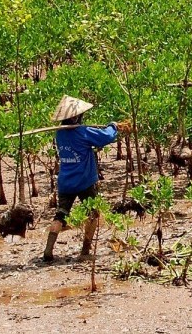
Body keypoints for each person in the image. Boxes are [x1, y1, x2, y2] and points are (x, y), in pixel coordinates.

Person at [42, 95, 130, 262]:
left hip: (65, 182)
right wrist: (113, 126)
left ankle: (48, 250)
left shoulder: (59, 134)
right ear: (76, 117)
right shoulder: (83, 132)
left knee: (60, 215)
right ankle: (85, 250)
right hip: (84, 182)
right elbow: (106, 137)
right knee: (93, 214)